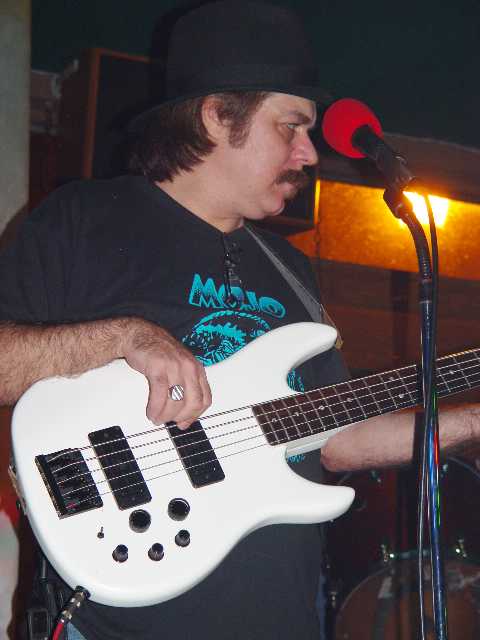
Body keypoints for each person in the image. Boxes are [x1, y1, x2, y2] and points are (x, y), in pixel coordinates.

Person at [0, 2, 478, 639]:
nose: (309, 153)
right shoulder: (84, 218)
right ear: (217, 116)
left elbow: (333, 439)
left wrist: (472, 421)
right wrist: (125, 337)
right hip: (117, 618)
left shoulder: (289, 268)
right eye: (291, 127)